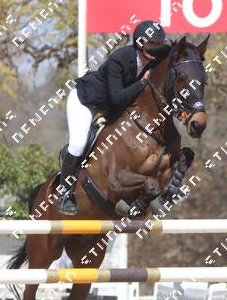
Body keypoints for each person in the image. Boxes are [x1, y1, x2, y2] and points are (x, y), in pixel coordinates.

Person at [58, 20, 168, 215]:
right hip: (86, 101)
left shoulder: (154, 60)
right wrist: (141, 83)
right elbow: (117, 97)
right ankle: (65, 192)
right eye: (152, 44)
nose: (155, 49)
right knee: (78, 144)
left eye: (158, 45)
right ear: (140, 43)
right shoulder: (121, 58)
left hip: (112, 107)